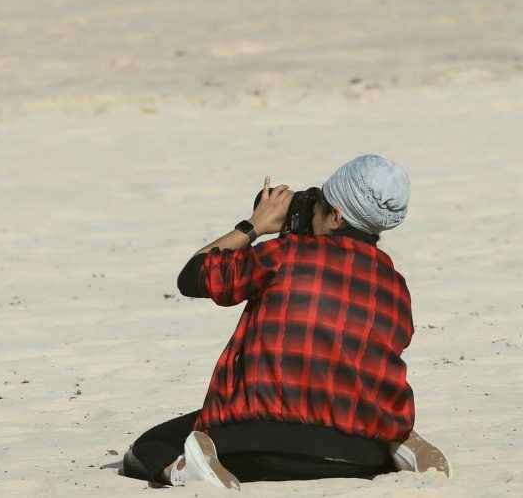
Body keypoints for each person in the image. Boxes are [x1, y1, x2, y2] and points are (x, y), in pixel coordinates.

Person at [122, 155, 450, 488]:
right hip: (358, 454)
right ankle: (399, 444)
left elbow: (193, 277)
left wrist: (254, 226)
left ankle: (183, 471)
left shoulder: (284, 254)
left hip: (254, 442)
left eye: (318, 204)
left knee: (148, 448)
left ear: (336, 216)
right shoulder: (395, 286)